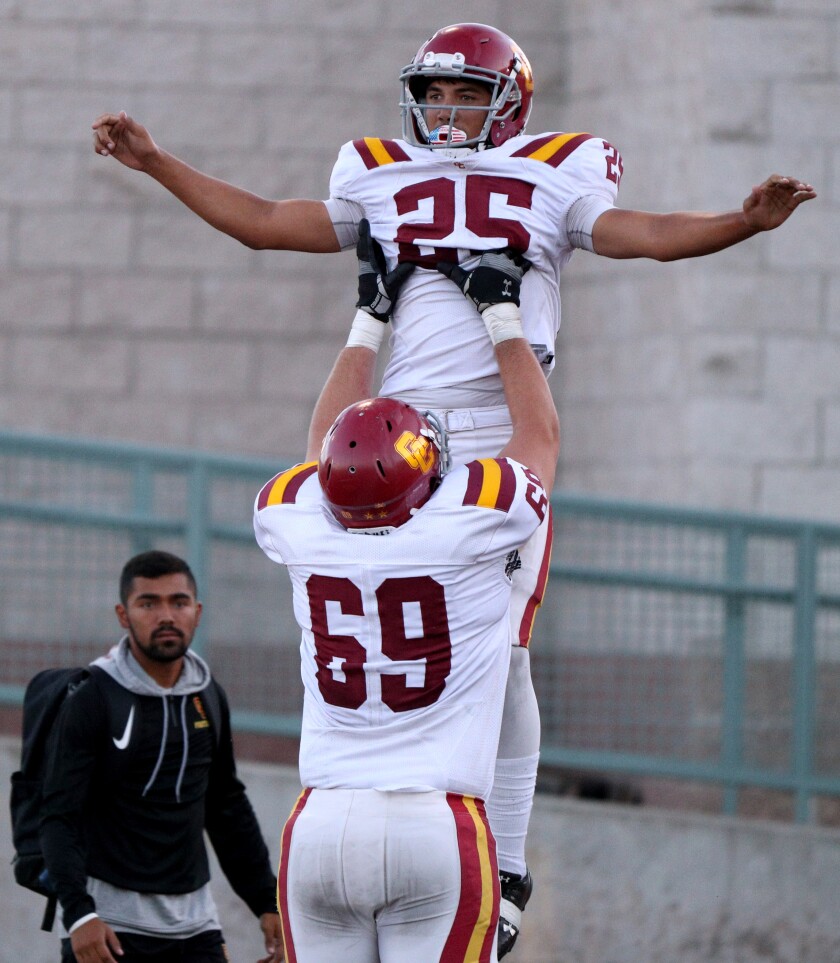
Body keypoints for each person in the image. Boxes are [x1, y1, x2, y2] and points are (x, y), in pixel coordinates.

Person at [90, 22, 816, 956]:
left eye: (463, 93)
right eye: (432, 93)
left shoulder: (558, 166)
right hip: (386, 435)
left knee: (503, 650)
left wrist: (737, 224)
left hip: (495, 428)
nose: (443, 110)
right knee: (427, 631)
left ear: (507, 99)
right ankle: (462, 836)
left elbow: (644, 236)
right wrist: (158, 165)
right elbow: (270, 222)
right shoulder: (378, 167)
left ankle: (506, 859)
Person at [253, 240, 559, 963]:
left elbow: (318, 451)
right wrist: (502, 317)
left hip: (319, 820)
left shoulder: (293, 516)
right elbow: (539, 435)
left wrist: (368, 321)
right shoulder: (469, 519)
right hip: (434, 822)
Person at [39, 550, 283, 963]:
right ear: (123, 614)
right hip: (109, 928)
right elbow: (59, 814)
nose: (166, 615)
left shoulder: (208, 694)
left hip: (196, 925)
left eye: (179, 602)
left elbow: (225, 805)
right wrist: (79, 916)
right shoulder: (93, 696)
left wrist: (267, 901)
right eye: (148, 603)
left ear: (197, 611)